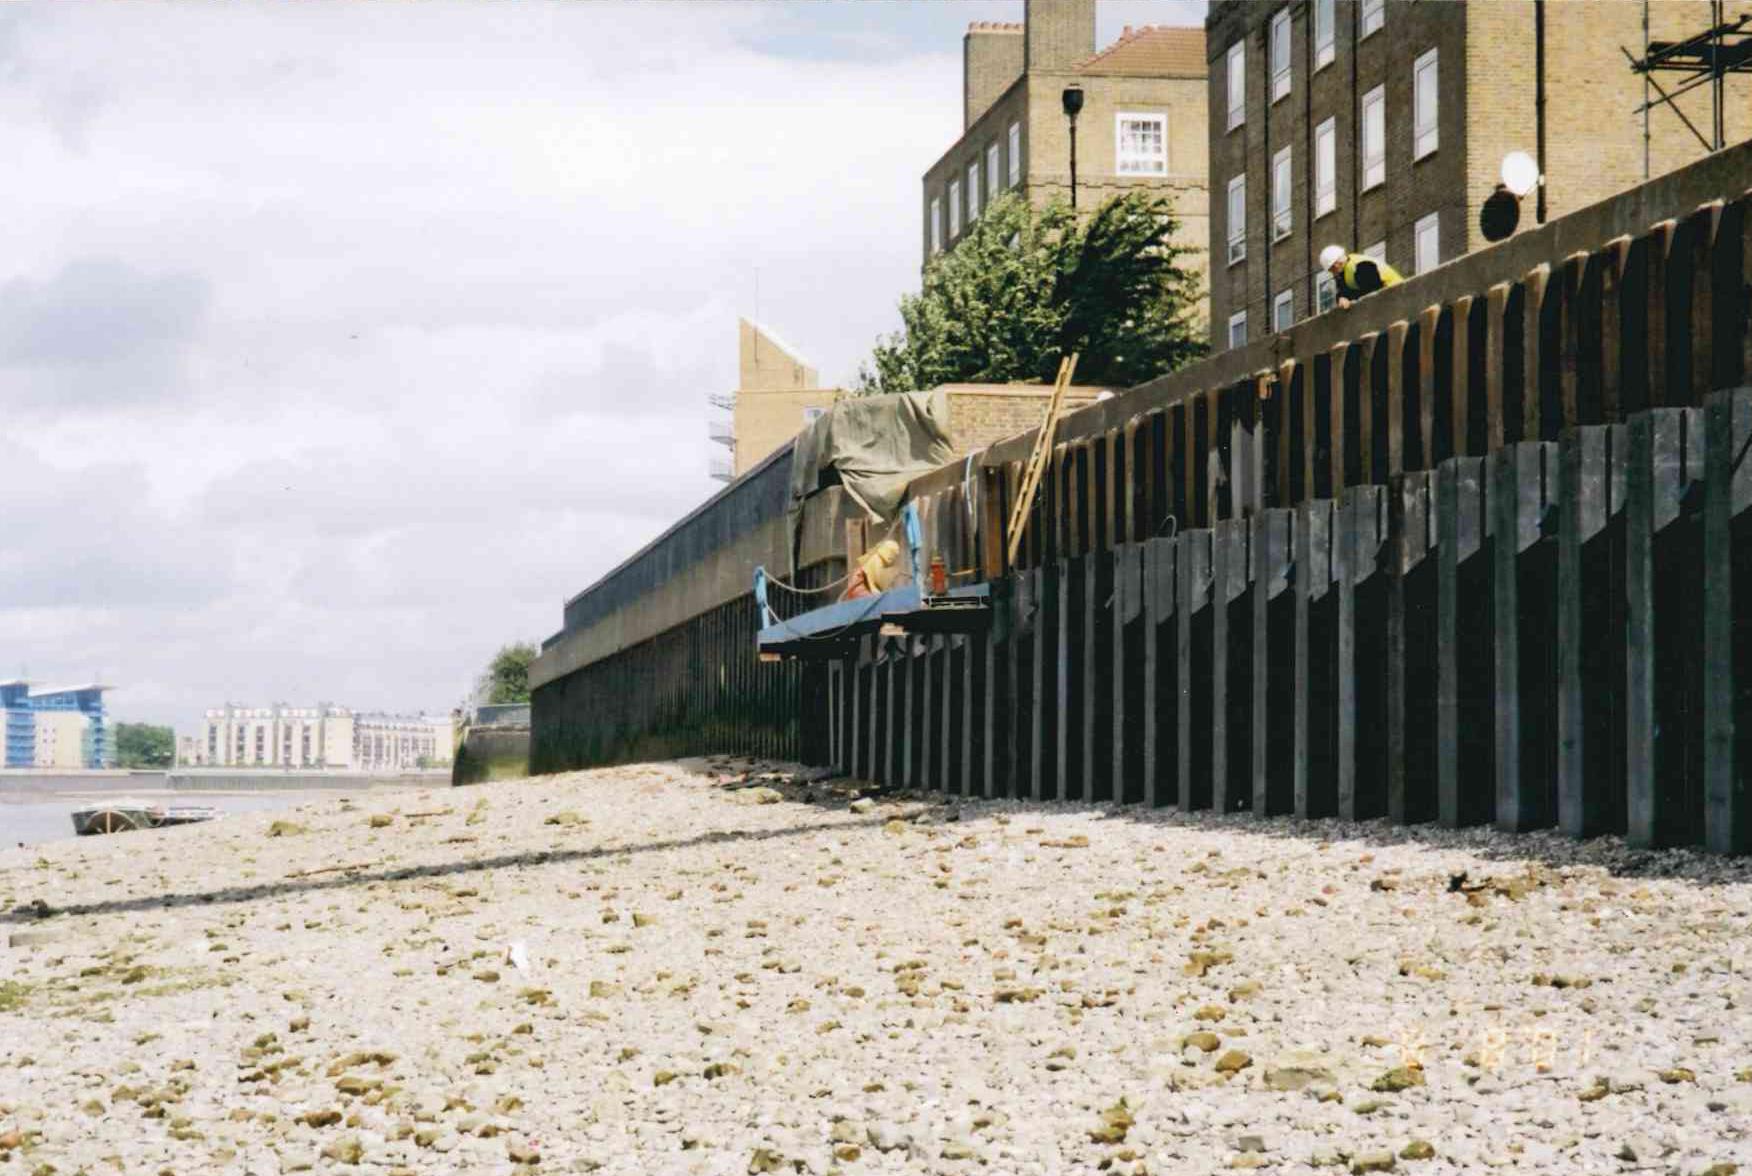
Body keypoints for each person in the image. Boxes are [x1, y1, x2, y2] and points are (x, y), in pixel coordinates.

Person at [1320, 244, 1403, 309]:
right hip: (1387, 300)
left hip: (1396, 294)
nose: (1333, 274)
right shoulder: (1345, 271)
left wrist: (1350, 298)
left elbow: (1371, 288)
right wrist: (1341, 298)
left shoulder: (1361, 265)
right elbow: (1345, 290)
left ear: (1336, 264)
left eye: (1332, 270)